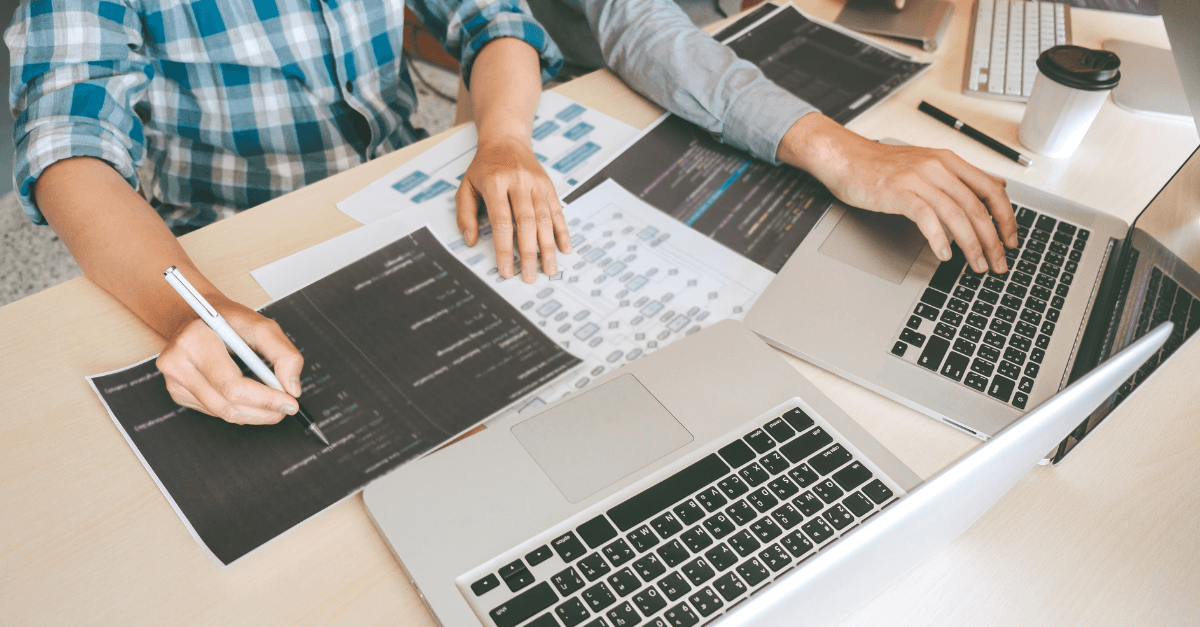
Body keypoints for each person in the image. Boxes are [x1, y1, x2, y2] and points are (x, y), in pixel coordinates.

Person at [9, 0, 1015, 429]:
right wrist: (195, 311)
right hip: (229, 245)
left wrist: (502, 137)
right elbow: (69, 151)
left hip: (394, 199)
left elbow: (493, 21)